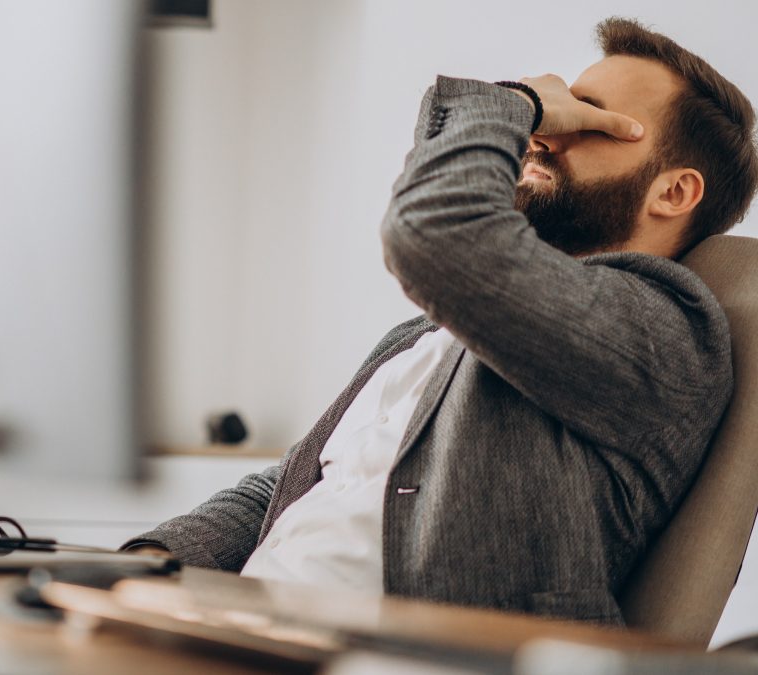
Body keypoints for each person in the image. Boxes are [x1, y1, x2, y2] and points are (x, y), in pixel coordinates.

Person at [124, 17, 758, 625]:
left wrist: (511, 103)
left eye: (590, 121)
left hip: (408, 655)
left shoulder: (666, 333)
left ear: (673, 192)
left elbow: (434, 233)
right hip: (250, 630)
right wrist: (143, 566)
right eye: (560, 110)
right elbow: (296, 487)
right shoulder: (428, 337)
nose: (543, 135)